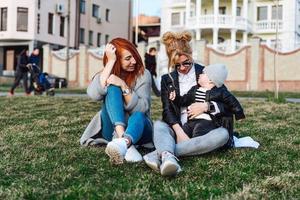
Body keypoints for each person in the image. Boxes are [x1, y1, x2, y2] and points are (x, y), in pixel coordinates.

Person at [143, 31, 234, 176]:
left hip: (205, 128)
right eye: (177, 65)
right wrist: (178, 132)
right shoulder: (167, 79)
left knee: (223, 135)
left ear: (191, 55)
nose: (183, 68)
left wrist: (206, 106)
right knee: (159, 125)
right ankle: (170, 154)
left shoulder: (205, 72)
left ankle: (163, 153)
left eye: (186, 63)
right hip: (180, 128)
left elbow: (227, 103)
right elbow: (167, 110)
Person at [80, 38, 153, 165]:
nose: (134, 61)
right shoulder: (107, 74)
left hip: (139, 129)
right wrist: (111, 62)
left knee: (138, 115)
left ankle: (124, 142)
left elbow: (142, 108)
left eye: (134, 56)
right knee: (112, 86)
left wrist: (124, 86)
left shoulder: (143, 74)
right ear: (117, 60)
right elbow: (93, 95)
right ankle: (123, 140)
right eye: (128, 58)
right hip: (111, 129)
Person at [175, 63, 245, 138]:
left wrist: (239, 114)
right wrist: (175, 98)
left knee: (199, 132)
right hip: (192, 121)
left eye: (203, 73)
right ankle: (184, 145)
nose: (200, 74)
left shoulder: (220, 92)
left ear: (211, 80)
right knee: (184, 131)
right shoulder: (194, 90)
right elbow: (185, 99)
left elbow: (233, 102)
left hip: (207, 122)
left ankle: (197, 146)